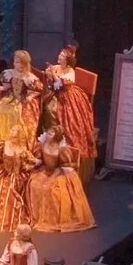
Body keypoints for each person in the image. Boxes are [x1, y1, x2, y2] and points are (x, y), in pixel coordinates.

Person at [0, 49, 43, 159]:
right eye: (17, 62)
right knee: (2, 108)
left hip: (22, 100)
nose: (19, 65)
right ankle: (2, 142)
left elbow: (37, 90)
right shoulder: (9, 73)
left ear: (26, 64)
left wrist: (30, 96)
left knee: (16, 113)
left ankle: (17, 144)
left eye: (21, 63)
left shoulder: (29, 77)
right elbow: (6, 87)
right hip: (10, 97)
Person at [26, 128, 96, 232]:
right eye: (49, 133)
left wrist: (51, 179)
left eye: (52, 134)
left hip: (60, 173)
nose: (49, 135)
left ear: (57, 136)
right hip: (46, 170)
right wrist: (33, 162)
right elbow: (40, 160)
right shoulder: (42, 144)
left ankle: (53, 219)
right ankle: (36, 217)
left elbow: (61, 167)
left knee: (53, 189)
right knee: (34, 184)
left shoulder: (62, 149)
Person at [44, 45, 98, 173]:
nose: (59, 57)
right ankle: (50, 140)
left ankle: (65, 143)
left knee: (68, 117)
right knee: (47, 107)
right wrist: (49, 75)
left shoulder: (70, 72)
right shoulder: (56, 68)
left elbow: (62, 85)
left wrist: (54, 76)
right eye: (60, 54)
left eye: (62, 56)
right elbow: (52, 84)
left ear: (67, 60)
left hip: (68, 98)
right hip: (55, 95)